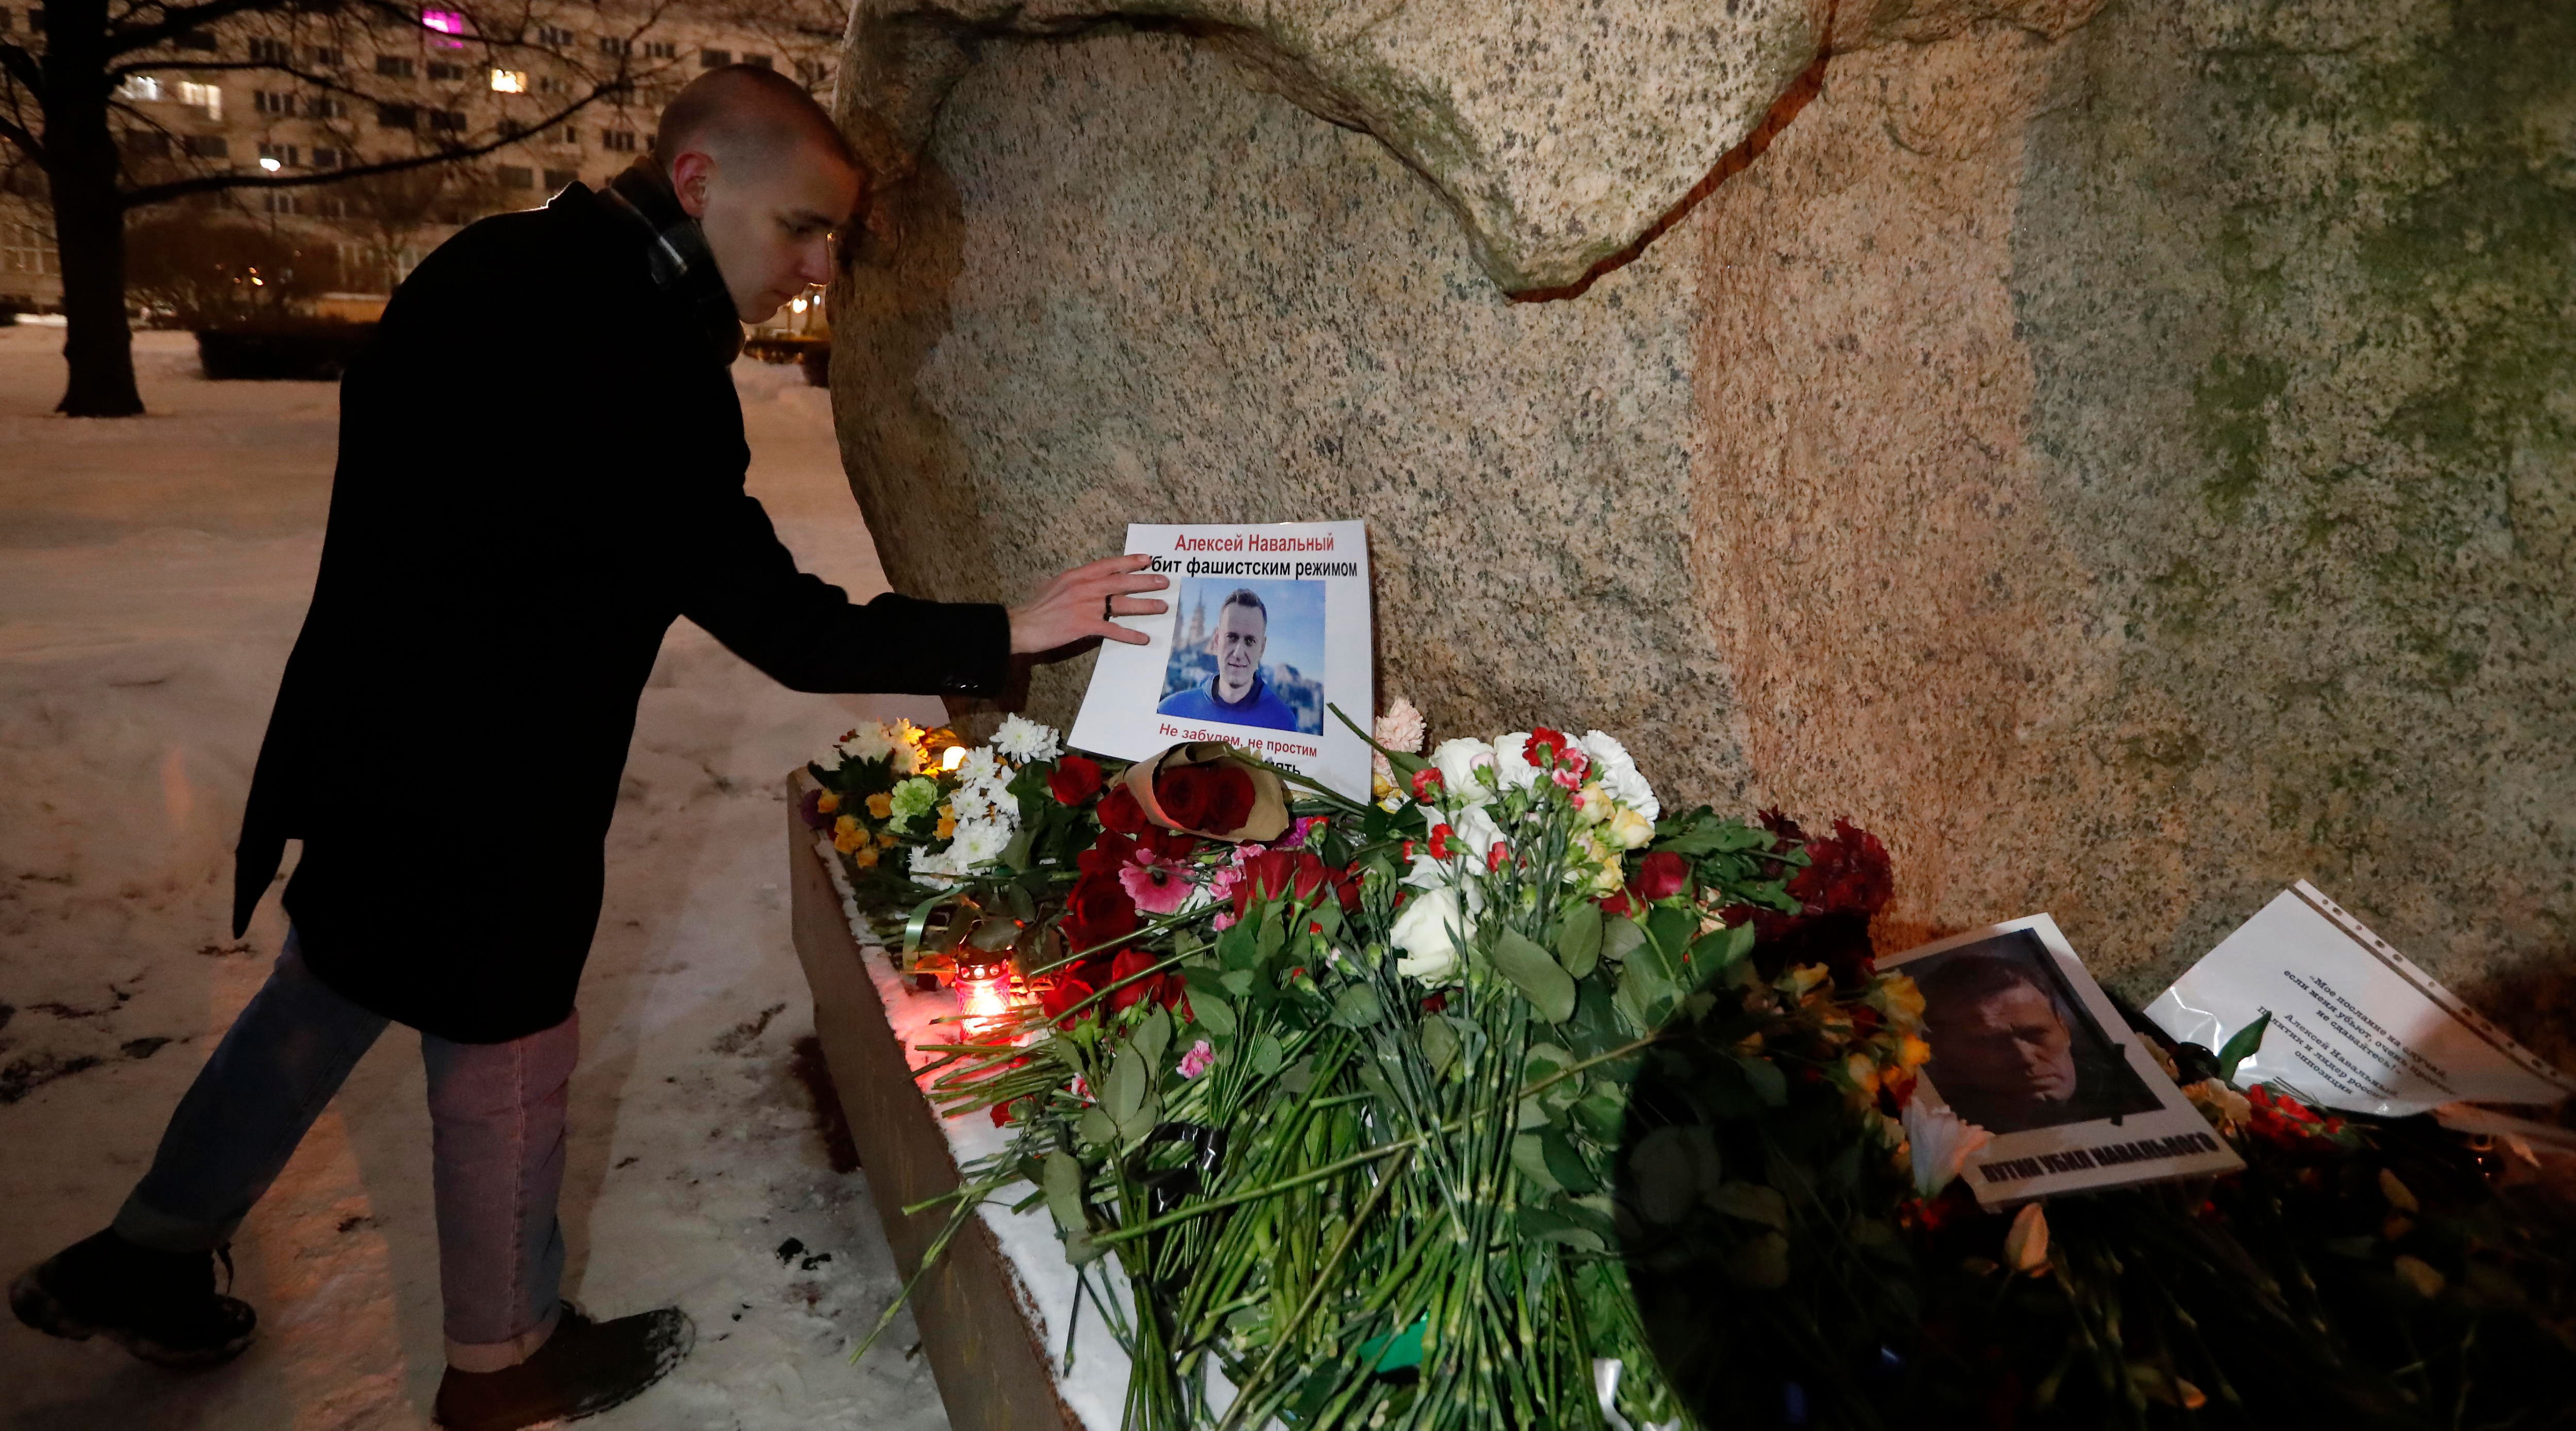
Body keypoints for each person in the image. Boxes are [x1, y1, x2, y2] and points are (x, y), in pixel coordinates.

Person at [6, 65, 1164, 1431]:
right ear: (697, 181)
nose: (817, 269)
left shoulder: (487, 261)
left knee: (328, 986)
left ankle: (148, 1250)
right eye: (802, 227)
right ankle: (505, 1361)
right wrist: (1008, 627)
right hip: (495, 787)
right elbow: (786, 626)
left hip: (364, 738)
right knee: (505, 1052)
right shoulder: (642, 356)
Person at [1917, 951, 2155, 1135]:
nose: (2025, 1057)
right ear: (1940, 1050)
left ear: (2063, 1029)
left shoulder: (2135, 1092)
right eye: (1992, 1043)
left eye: (2036, 1034)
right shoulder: (1933, 1127)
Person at [1155, 587, 1299, 731]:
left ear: (1262, 648)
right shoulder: (1170, 711)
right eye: (1232, 637)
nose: (1238, 653)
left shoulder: (1283, 722)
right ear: (1216, 640)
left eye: (1250, 641)